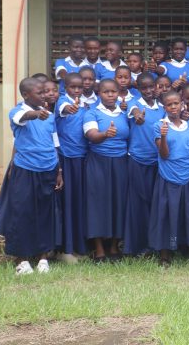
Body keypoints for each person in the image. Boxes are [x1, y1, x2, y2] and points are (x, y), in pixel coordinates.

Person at [0, 77, 63, 275]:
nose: (44, 95)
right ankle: (21, 261)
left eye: (45, 92)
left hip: (48, 168)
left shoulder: (49, 116)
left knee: (45, 213)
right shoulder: (17, 112)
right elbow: (23, 118)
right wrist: (35, 114)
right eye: (39, 93)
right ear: (26, 95)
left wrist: (59, 171)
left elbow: (54, 143)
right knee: (21, 213)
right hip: (25, 169)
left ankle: (43, 258)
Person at [149, 90, 189, 267]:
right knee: (166, 215)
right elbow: (164, 154)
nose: (173, 107)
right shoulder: (159, 126)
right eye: (169, 105)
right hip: (168, 177)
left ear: (182, 103)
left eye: (176, 103)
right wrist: (165, 136)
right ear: (164, 107)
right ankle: (165, 255)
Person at [83, 78, 130, 263]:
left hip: (120, 162)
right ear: (99, 93)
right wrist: (104, 135)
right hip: (98, 163)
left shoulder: (124, 113)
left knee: (118, 202)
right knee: (98, 204)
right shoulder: (92, 113)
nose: (110, 95)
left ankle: (113, 247)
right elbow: (91, 135)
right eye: (106, 92)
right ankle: (99, 249)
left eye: (113, 91)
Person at [124, 75, 164, 256]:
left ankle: (154, 245)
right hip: (137, 161)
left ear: (156, 87)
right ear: (138, 88)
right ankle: (136, 247)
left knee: (154, 204)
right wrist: (138, 115)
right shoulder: (134, 103)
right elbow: (134, 111)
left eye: (151, 87)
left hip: (157, 163)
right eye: (144, 88)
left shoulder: (161, 109)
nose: (148, 91)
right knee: (138, 205)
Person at [55, 73, 89, 256]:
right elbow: (65, 109)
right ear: (65, 87)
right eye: (72, 87)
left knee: (80, 202)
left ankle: (81, 245)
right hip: (66, 159)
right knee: (67, 202)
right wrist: (70, 108)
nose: (76, 90)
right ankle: (66, 248)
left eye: (80, 87)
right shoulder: (62, 103)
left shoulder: (86, 105)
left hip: (83, 159)